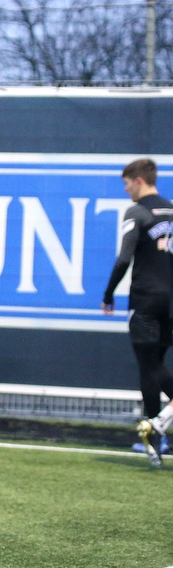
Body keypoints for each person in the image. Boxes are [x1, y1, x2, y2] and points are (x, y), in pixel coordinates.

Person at [103, 158, 173, 468]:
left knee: (149, 368)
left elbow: (123, 259)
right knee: (155, 365)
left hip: (145, 300)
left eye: (127, 183)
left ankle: (154, 440)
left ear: (139, 181)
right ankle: (158, 438)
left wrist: (108, 293)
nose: (126, 189)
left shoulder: (137, 212)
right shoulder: (171, 210)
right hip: (171, 302)